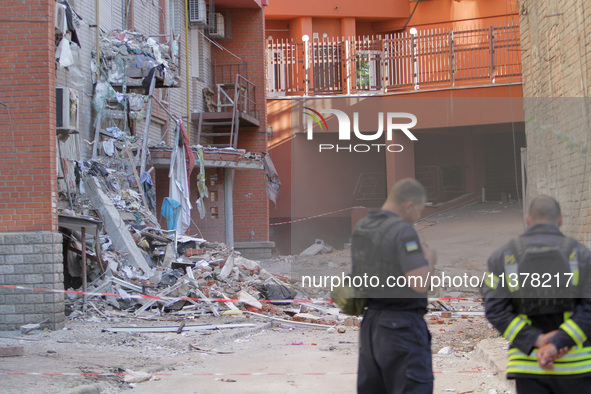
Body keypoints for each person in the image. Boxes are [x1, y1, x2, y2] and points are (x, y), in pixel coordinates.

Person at [481, 195, 591, 393]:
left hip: (529, 365)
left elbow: (494, 309)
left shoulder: (503, 257)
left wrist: (537, 340)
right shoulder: (582, 255)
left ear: (528, 219)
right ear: (560, 220)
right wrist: (558, 342)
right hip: (576, 366)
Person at [354, 178, 437, 394]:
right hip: (401, 327)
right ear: (409, 204)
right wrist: (429, 259)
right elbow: (419, 282)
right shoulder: (402, 230)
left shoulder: (363, 227)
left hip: (371, 325)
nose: (419, 216)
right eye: (419, 210)